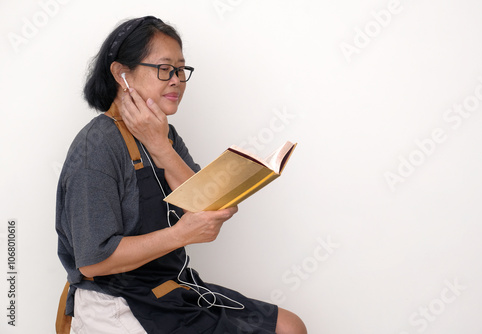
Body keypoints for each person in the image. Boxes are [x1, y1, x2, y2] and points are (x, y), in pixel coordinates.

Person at [55, 16, 307, 334]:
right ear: (122, 74)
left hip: (171, 287)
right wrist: (180, 235)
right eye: (164, 68)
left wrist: (160, 146)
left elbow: (207, 207)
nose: (176, 80)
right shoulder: (97, 147)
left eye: (180, 70)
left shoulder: (165, 135)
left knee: (290, 327)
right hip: (116, 301)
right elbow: (93, 261)